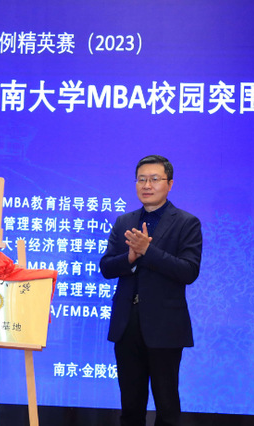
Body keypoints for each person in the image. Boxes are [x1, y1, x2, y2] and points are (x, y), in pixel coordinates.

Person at [100, 155, 202, 426]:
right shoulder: (124, 222)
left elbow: (188, 271)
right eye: (141, 179)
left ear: (169, 184)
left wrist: (148, 250)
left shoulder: (186, 223)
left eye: (154, 179)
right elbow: (106, 267)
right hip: (127, 324)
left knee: (167, 406)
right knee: (130, 406)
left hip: (165, 326)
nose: (147, 185)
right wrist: (130, 258)